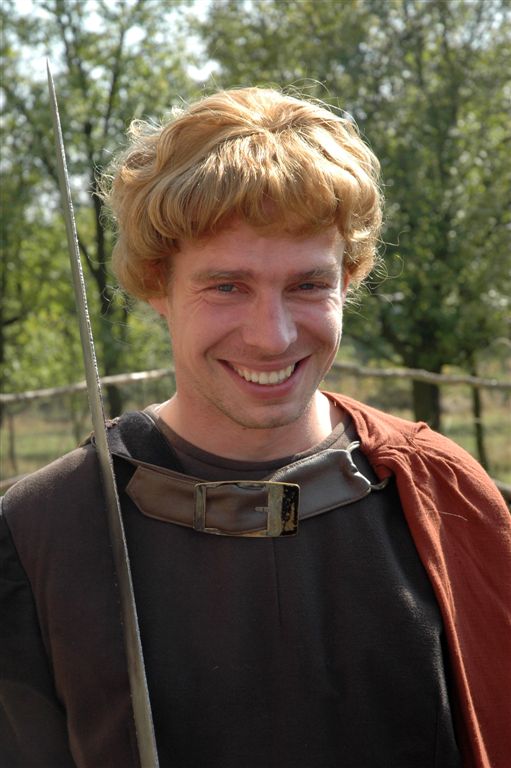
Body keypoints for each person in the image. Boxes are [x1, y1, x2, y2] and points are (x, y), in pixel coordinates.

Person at [1, 88, 509, 768]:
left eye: (307, 285)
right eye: (226, 286)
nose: (271, 337)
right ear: (157, 283)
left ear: (349, 278)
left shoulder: (444, 493)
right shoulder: (39, 532)